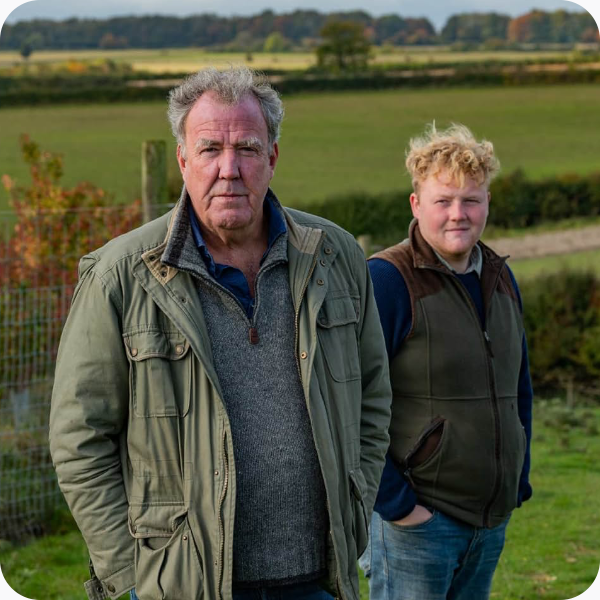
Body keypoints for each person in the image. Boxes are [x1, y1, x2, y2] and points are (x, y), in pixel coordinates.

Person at [49, 66, 392, 600]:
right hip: (183, 588)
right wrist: (132, 578)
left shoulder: (336, 255)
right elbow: (78, 439)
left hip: (318, 581)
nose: (229, 169)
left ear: (273, 158)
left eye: (248, 149)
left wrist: (355, 506)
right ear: (183, 159)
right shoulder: (120, 276)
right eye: (210, 149)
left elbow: (373, 397)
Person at [361, 123, 533, 600]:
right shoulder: (387, 280)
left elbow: (518, 387)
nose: (458, 214)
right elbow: (348, 402)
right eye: (443, 201)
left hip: (489, 523)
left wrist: (517, 479)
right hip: (416, 527)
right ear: (416, 205)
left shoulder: (500, 278)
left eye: (471, 200)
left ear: (488, 203)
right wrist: (396, 506)